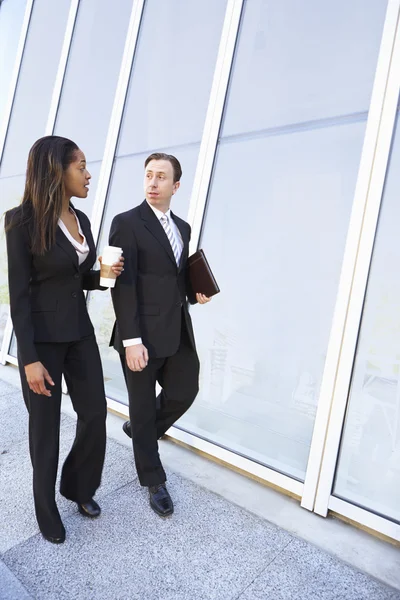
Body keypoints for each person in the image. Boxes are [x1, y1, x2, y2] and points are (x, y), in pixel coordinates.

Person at [5, 135, 124, 544]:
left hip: (80, 334)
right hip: (42, 343)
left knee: (94, 415)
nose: (88, 175)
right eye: (81, 166)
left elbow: (78, 277)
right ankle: (46, 509)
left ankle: (77, 487)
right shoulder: (19, 222)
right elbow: (19, 296)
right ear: (57, 171)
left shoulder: (82, 220)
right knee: (45, 426)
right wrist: (29, 359)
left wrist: (104, 276)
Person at [109, 152, 210, 517]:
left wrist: (194, 293)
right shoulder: (126, 223)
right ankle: (153, 479)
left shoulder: (182, 228)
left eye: (161, 177)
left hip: (177, 328)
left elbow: (173, 277)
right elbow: (124, 285)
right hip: (140, 334)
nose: (153, 183)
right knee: (141, 402)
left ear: (176, 186)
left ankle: (142, 428)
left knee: (186, 389)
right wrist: (131, 340)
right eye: (149, 175)